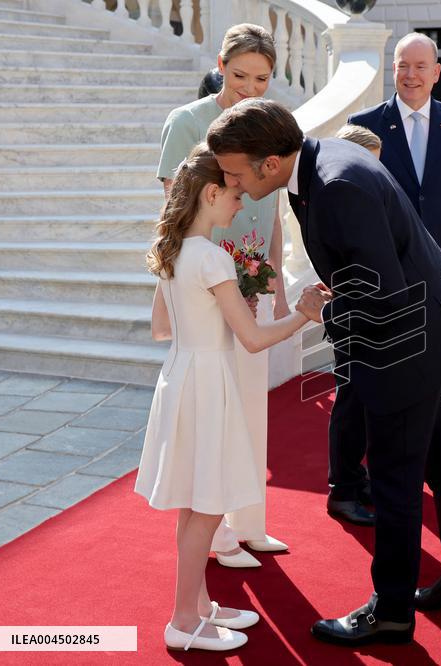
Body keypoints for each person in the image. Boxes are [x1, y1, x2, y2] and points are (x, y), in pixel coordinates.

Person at [207, 99, 441, 646]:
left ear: (270, 163)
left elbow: (382, 292)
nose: (232, 182)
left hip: (406, 338)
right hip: (426, 324)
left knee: (394, 477)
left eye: (235, 171)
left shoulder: (334, 184)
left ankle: (390, 612)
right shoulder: (323, 159)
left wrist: (323, 312)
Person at [136, 145, 313, 652]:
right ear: (211, 193)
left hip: (182, 377)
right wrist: (304, 314)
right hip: (209, 383)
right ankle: (181, 620)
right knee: (207, 508)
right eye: (234, 193)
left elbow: (161, 327)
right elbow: (254, 340)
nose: (241, 203)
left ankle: (198, 607)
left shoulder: (174, 252)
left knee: (195, 507)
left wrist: (219, 308)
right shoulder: (211, 257)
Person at [329, 32, 441, 527]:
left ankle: (431, 469)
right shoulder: (363, 126)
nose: (411, 74)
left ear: (437, 71)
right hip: (381, 275)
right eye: (403, 65)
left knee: (437, 379)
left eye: (421, 66)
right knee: (358, 382)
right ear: (394, 69)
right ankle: (345, 484)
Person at [156, 23, 289, 568]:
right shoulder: (186, 122)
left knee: (250, 407)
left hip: (252, 281)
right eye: (238, 76)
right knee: (213, 413)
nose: (249, 89)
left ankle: (249, 523)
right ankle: (214, 534)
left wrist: (277, 276)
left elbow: (274, 207)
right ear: (219, 64)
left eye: (261, 79)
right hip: (207, 280)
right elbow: (174, 210)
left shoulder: (271, 122)